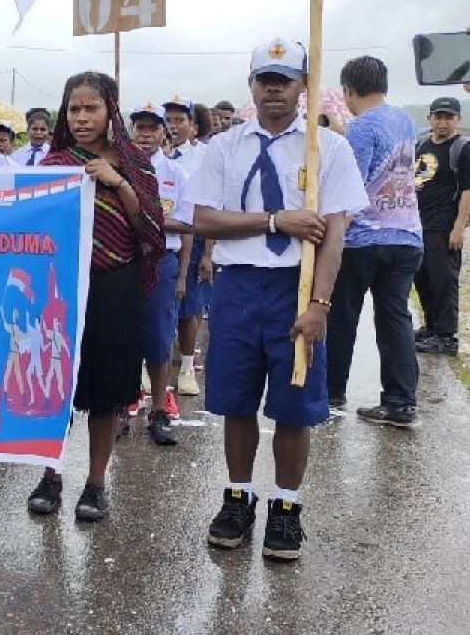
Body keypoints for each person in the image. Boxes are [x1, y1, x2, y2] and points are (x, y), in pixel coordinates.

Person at [189, 38, 367, 562]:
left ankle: (286, 508)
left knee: (294, 406)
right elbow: (204, 220)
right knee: (235, 401)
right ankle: (238, 497)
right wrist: (274, 221)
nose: (273, 88)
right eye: (264, 79)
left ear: (302, 87)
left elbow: (334, 232)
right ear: (251, 86)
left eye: (284, 79)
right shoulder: (225, 146)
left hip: (297, 288)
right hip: (239, 286)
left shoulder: (328, 148)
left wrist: (321, 305)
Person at [26, 72, 165, 521]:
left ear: (111, 112)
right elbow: (29, 230)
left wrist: (116, 181)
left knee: (105, 391)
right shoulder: (52, 167)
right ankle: (51, 475)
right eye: (74, 109)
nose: (82, 117)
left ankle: (97, 483)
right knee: (54, 387)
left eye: (91, 108)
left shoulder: (136, 165)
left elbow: (151, 229)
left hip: (114, 287)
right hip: (60, 288)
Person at [324, 57, 423, 426]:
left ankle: (331, 393)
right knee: (395, 316)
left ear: (348, 89)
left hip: (364, 238)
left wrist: (332, 231)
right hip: (407, 234)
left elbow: (353, 187)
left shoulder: (361, 129)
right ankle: (401, 402)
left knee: (342, 316)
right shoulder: (406, 120)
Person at [129, 103, 193, 445]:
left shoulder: (177, 175)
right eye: (140, 127)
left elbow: (185, 225)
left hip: (161, 262)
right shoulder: (117, 169)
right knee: (122, 338)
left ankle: (158, 410)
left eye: (153, 128)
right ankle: (123, 407)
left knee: (158, 338)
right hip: (122, 261)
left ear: (164, 133)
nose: (145, 134)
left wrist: (182, 275)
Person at [413, 96, 470, 356]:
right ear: (429, 118)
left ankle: (446, 336)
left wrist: (459, 227)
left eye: (448, 117)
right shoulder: (422, 144)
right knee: (422, 278)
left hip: (444, 225)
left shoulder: (462, 148)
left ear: (458, 120)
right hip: (420, 224)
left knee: (444, 280)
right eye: (438, 116)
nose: (443, 122)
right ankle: (431, 328)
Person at [165, 97, 209, 396]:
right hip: (161, 241)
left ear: (192, 126)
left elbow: (212, 204)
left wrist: (208, 253)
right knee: (160, 305)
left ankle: (186, 367)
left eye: (180, 120)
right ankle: (153, 364)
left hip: (194, 239)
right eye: (168, 120)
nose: (173, 126)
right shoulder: (156, 156)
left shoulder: (204, 157)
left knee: (189, 307)